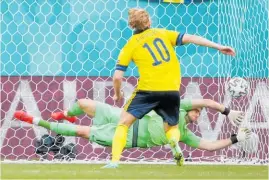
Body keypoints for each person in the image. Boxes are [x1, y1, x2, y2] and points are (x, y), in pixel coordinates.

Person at [108, 8, 236, 168]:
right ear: (149, 22)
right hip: (171, 91)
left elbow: (117, 77)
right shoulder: (163, 33)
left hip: (147, 90)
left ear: (131, 25)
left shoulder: (130, 45)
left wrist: (117, 93)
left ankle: (114, 162)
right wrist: (218, 46)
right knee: (172, 127)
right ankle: (174, 142)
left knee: (123, 123)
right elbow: (192, 38)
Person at [14, 98, 250, 165]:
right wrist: (227, 111)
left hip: (126, 137)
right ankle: (65, 112)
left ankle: (36, 120)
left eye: (198, 113)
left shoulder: (183, 133)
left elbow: (209, 146)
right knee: (85, 103)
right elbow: (208, 101)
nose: (198, 113)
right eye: (197, 111)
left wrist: (235, 138)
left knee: (80, 131)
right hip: (124, 116)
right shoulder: (178, 107)